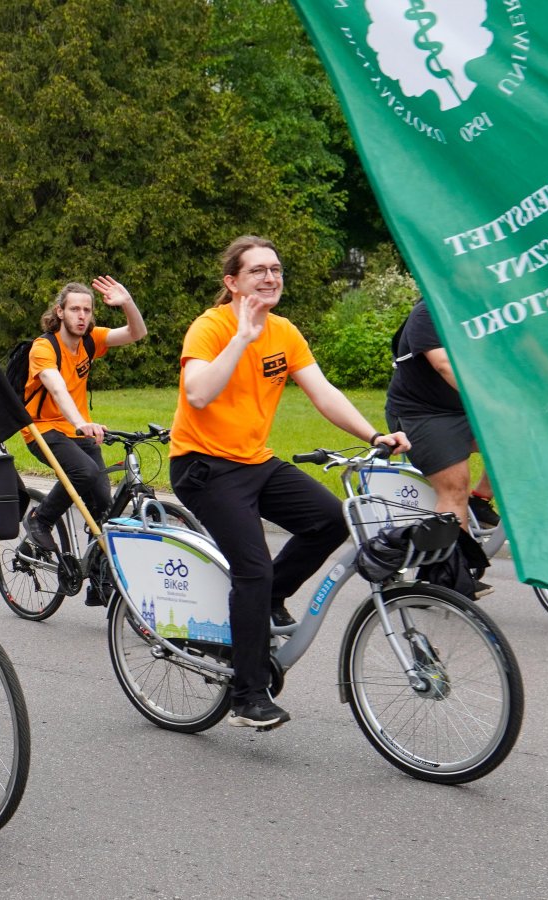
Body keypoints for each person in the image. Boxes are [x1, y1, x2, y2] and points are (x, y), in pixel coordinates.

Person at [169, 236, 409, 730]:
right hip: (204, 466)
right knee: (252, 570)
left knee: (330, 520)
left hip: (255, 460)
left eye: (275, 269)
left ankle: (268, 598)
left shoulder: (284, 332)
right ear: (232, 282)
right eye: (257, 270)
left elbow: (323, 392)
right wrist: (242, 337)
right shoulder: (211, 327)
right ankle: (247, 696)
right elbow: (198, 394)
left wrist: (373, 435)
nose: (270, 277)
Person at [20, 277, 147, 596]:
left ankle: (98, 579)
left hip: (78, 431)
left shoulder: (91, 340)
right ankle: (40, 519)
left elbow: (136, 333)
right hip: (42, 429)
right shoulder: (44, 347)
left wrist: (127, 303)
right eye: (74, 309)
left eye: (87, 310)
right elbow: (56, 388)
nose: (81, 316)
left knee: (104, 505)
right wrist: (80, 423)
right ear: (60, 312)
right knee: (85, 473)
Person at [386, 298, 498, 528]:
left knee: (518, 439)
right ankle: (455, 552)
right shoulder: (428, 312)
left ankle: (479, 501)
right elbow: (443, 364)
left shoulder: (486, 308)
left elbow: (527, 347)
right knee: (455, 488)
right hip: (422, 414)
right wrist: (488, 403)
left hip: (463, 410)